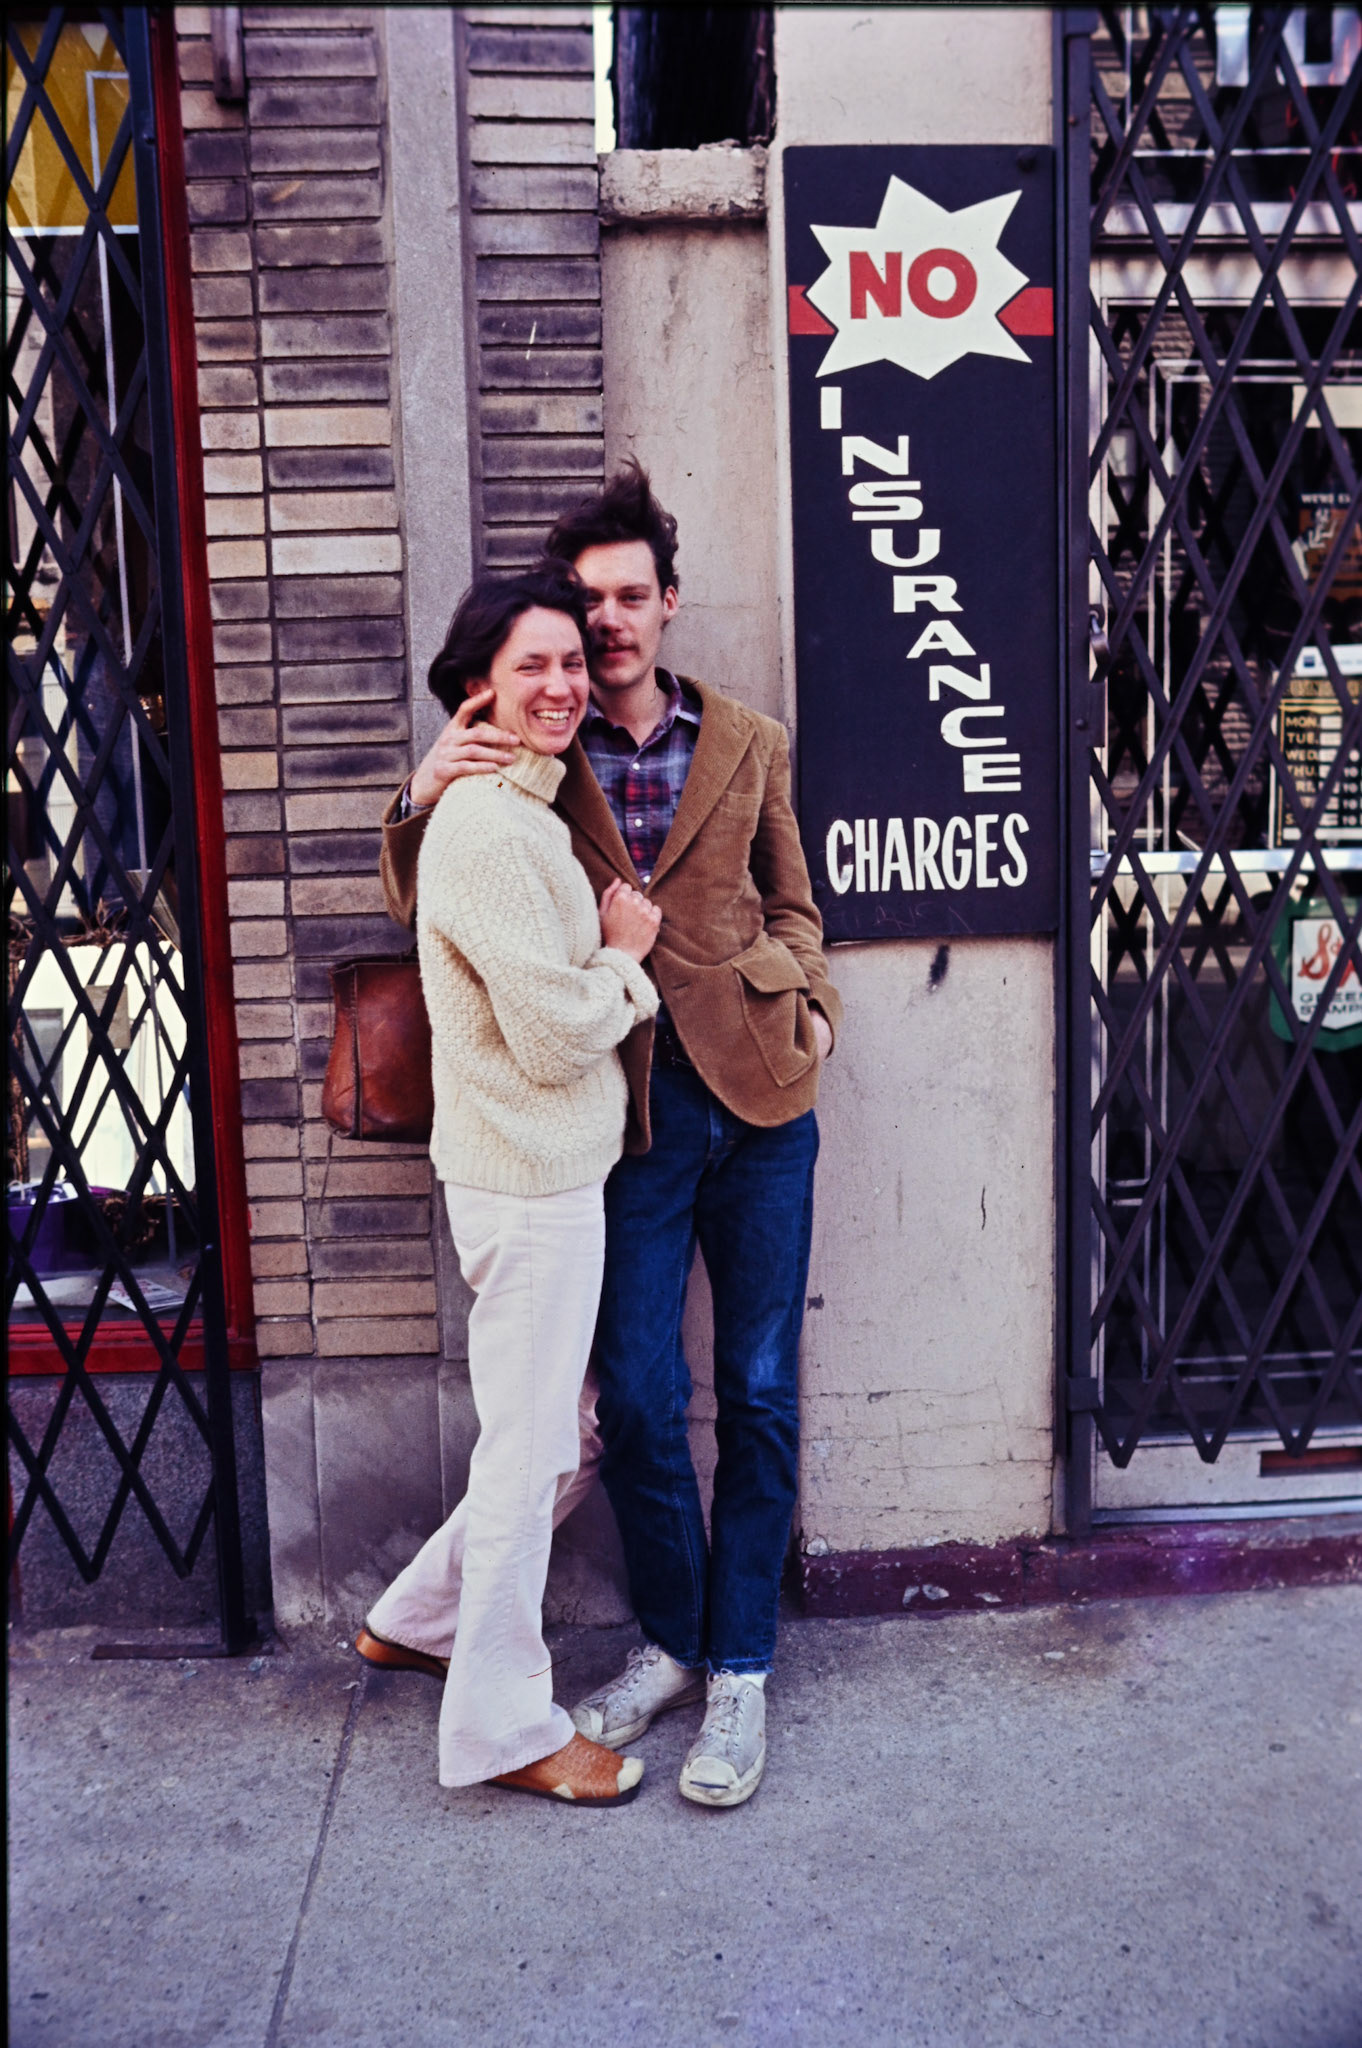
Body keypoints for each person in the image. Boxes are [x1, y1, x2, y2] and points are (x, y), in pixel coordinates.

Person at [379, 464, 843, 1809]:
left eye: (631, 597)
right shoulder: (534, 744)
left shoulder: (747, 738)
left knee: (754, 1393)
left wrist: (805, 1008)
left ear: (668, 602)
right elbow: (434, 888)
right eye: (588, 607)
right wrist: (419, 787)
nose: (609, 627)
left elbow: (795, 904)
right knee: (634, 1405)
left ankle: (738, 1666)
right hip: (615, 1117)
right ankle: (672, 1641)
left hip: (759, 1109)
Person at [355, 562, 662, 1808]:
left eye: (570, 662)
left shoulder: (519, 809)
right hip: (529, 1184)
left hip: (545, 1176)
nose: (561, 684)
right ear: (474, 685)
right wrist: (628, 962)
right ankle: (500, 1724)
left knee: (556, 1435)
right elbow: (547, 1033)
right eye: (530, 664)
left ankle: (417, 1615)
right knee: (538, 1446)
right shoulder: (487, 828)